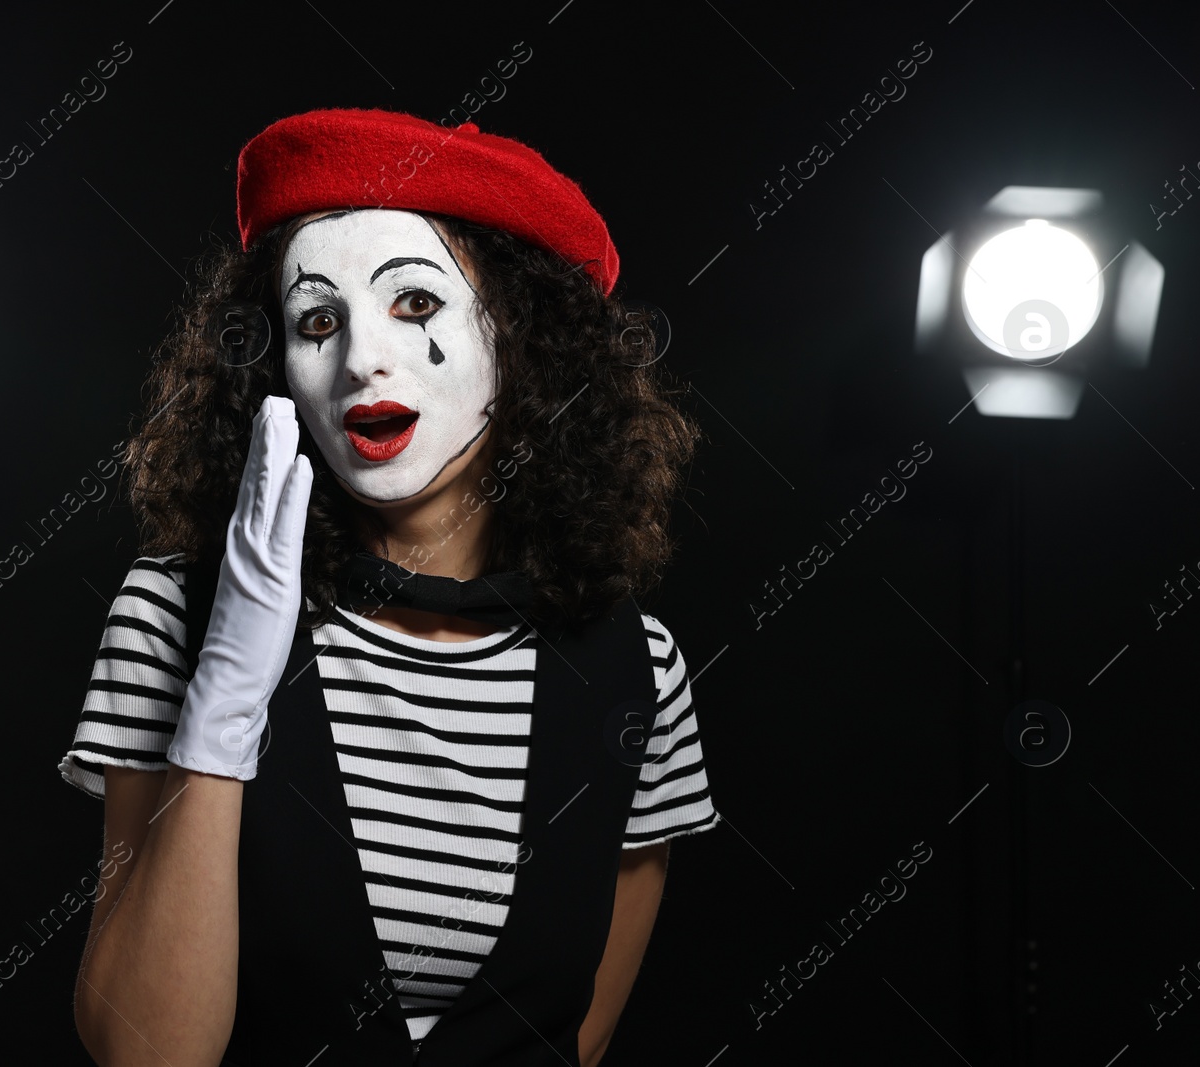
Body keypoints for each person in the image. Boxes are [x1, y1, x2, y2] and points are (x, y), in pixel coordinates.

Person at [59, 107, 719, 1066]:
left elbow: (575, 1042)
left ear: (524, 340)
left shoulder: (640, 670)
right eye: (318, 320)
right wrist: (224, 704)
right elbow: (146, 1054)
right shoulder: (173, 615)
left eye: (415, 304)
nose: (361, 357)